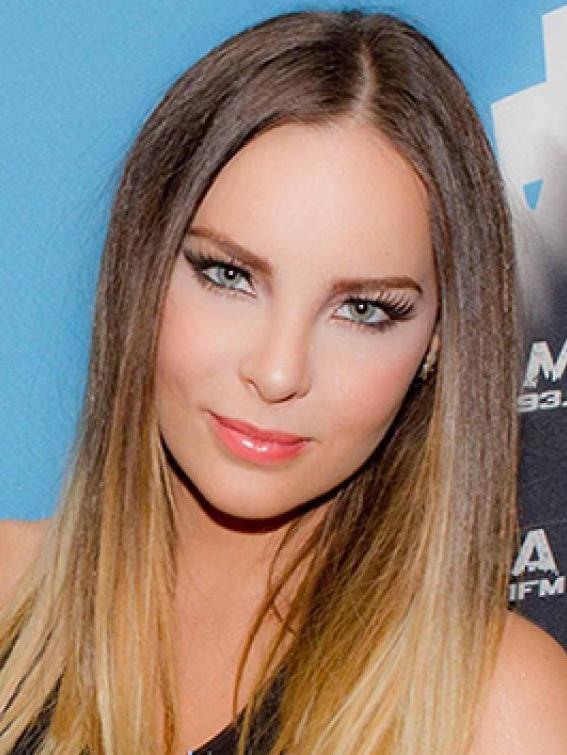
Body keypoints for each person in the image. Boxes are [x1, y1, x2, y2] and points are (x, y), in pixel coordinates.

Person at [1, 7, 567, 755]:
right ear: (143, 269)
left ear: (437, 342)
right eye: (228, 275)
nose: (276, 373)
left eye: (362, 309)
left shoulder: (500, 710)